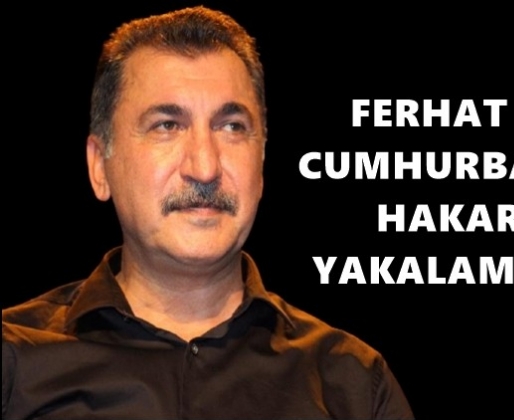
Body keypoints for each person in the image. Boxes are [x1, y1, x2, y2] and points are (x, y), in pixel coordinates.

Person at [1, 7, 412, 420]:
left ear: (262, 162)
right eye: (167, 125)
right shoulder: (14, 362)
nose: (204, 167)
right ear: (99, 166)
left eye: (231, 127)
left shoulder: (353, 386)